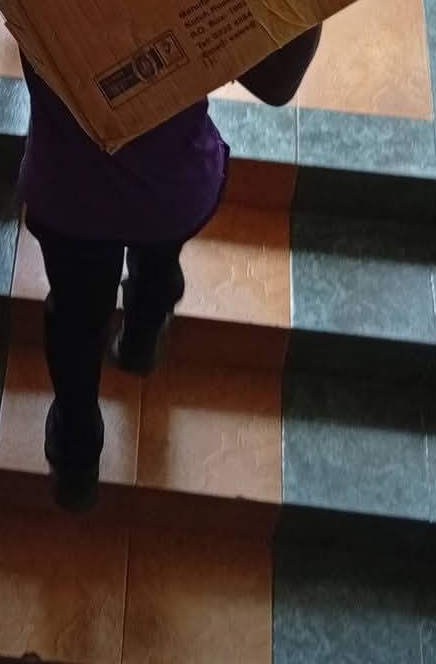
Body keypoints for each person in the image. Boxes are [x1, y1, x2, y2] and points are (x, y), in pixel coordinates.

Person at [21, 28, 323, 509]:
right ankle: (141, 340)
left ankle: (75, 462)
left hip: (69, 189)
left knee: (75, 321)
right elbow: (278, 82)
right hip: (168, 185)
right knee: (157, 263)